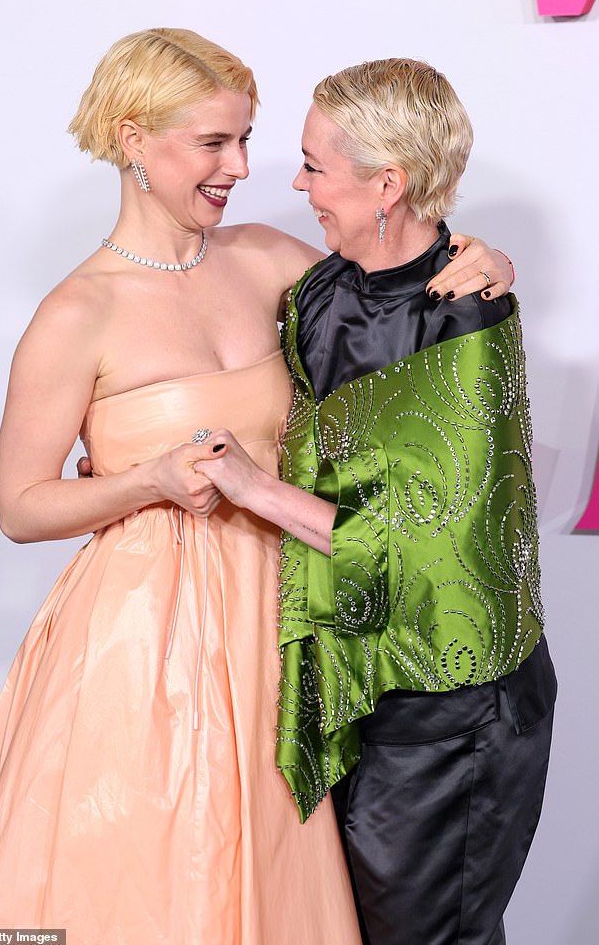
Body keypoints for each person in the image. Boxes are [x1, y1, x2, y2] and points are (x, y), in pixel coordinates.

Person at [0, 28, 513, 943]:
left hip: (285, 612)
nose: (242, 167)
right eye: (214, 143)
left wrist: (483, 263)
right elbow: (19, 507)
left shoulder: (273, 261)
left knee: (281, 870)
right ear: (134, 138)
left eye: (247, 139)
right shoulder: (76, 312)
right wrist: (146, 478)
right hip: (139, 642)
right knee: (141, 879)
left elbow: (399, 304)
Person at [196, 58, 557, 945]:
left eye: (315, 165)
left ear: (386, 184)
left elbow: (431, 553)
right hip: (349, 677)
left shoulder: (469, 314)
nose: (296, 182)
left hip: (451, 707)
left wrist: (252, 489)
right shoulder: (321, 291)